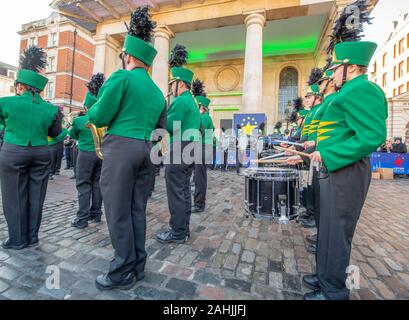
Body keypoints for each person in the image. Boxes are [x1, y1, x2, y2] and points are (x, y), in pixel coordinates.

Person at [89, 7, 166, 291]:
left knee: (118, 210)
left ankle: (121, 271)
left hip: (121, 148)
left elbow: (99, 116)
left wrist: (93, 109)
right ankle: (138, 265)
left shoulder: (121, 78)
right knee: (137, 209)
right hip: (147, 150)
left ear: (128, 56)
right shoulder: (159, 92)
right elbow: (162, 129)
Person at [304, 41, 387, 300]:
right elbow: (340, 132)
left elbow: (371, 136)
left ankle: (335, 292)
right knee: (327, 229)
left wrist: (328, 154)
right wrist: (319, 145)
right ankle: (325, 276)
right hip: (337, 167)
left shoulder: (363, 89)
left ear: (349, 68)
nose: (331, 74)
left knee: (338, 233)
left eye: (336, 67)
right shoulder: (349, 90)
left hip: (347, 170)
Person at [0, 46, 62, 250]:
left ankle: (17, 239)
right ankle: (32, 236)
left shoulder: (5, 103)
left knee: (13, 196)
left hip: (13, 150)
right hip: (41, 152)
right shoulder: (51, 109)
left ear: (21, 86)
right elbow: (54, 133)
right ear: (39, 88)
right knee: (37, 195)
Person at [156, 44, 201, 244]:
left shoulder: (180, 101)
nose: (170, 87)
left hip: (180, 148)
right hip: (190, 147)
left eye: (172, 83)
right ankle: (183, 229)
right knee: (183, 191)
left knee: (176, 192)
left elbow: (169, 126)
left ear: (180, 84)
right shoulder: (191, 101)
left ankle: (177, 231)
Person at [70, 73, 105, 229]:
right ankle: (96, 214)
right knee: (97, 184)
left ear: (86, 105)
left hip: (85, 154)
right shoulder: (104, 120)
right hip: (101, 155)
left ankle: (82, 218)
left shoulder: (79, 120)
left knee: (84, 184)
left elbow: (72, 134)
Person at [192, 81, 215, 214]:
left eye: (197, 105)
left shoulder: (204, 118)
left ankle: (199, 203)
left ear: (201, 106)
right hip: (204, 148)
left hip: (202, 148)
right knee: (200, 176)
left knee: (200, 178)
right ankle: (199, 201)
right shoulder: (207, 117)